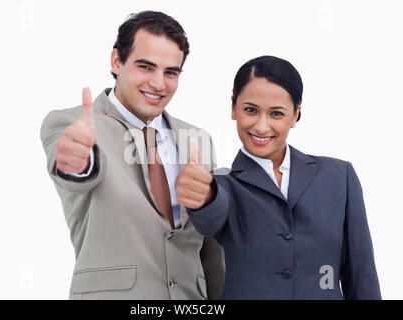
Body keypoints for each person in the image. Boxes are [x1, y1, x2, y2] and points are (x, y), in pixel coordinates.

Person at [40, 11, 224, 299]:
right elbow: (76, 172)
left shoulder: (197, 140)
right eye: (146, 67)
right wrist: (76, 161)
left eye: (171, 72)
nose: (159, 83)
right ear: (116, 61)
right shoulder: (72, 125)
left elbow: (211, 246)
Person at [175, 55, 381, 299]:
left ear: (295, 115)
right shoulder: (222, 186)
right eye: (250, 110)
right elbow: (211, 218)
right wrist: (205, 196)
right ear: (233, 108)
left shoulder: (339, 177)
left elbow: (361, 274)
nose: (261, 127)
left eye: (276, 114)